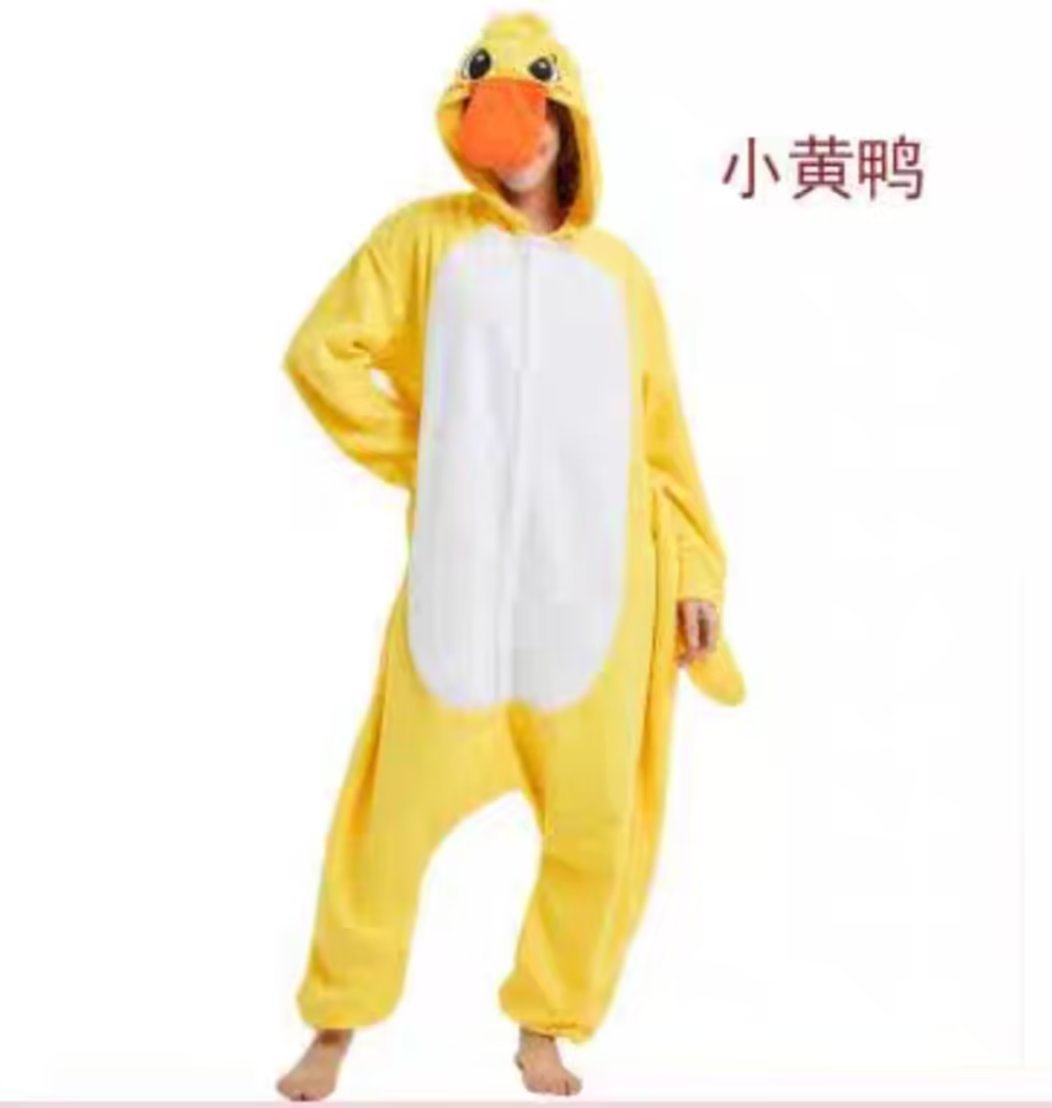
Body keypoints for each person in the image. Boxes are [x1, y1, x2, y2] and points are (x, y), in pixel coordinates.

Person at [277, 12, 744, 1100]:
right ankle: (337, 1020)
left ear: (570, 124)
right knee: (387, 819)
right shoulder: (423, 242)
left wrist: (694, 575)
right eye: (495, 108)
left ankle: (546, 1023)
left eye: (541, 110)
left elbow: (662, 444)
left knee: (598, 826)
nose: (521, 133)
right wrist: (429, 455)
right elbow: (320, 353)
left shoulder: (621, 277)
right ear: (467, 123)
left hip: (599, 600)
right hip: (462, 598)